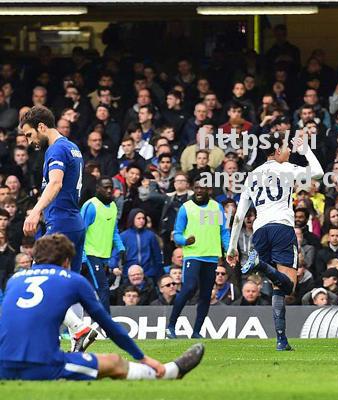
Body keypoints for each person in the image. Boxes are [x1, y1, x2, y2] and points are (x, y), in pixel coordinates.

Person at [0, 234, 204, 381]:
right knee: (114, 362)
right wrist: (141, 357)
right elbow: (106, 323)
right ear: (66, 261)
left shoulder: (14, 280)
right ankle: (168, 373)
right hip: (41, 366)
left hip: (2, 365)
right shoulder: (73, 280)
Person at [226, 132, 323, 351]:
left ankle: (281, 340)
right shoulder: (286, 169)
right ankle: (259, 265)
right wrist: (306, 150)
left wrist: (232, 248)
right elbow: (318, 173)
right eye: (287, 148)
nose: (290, 151)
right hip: (282, 227)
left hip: (259, 231)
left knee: (276, 284)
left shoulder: (251, 176)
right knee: (288, 287)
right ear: (277, 151)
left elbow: (239, 216)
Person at [19, 106, 94, 352]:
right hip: (74, 222)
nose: (29, 142)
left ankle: (79, 329)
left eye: (29, 135)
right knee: (68, 284)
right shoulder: (72, 147)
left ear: (42, 127)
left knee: (40, 278)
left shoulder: (57, 149)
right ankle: (77, 339)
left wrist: (35, 210)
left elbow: (56, 183)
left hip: (60, 223)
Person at [165, 175, 230, 339]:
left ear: (209, 189)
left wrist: (229, 249)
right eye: (197, 187)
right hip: (193, 255)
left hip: (211, 256)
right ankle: (171, 326)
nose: (199, 191)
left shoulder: (216, 207)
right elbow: (177, 234)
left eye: (203, 188)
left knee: (206, 295)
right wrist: (185, 241)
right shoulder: (186, 208)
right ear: (193, 188)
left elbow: (223, 231)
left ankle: (196, 331)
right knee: (189, 288)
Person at [80, 177, 125, 313]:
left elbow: (114, 231)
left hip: (104, 256)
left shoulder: (113, 206)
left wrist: (121, 248)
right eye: (105, 187)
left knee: (85, 290)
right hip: (90, 254)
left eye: (111, 187)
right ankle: (108, 326)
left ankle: (73, 324)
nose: (109, 190)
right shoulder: (91, 206)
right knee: (103, 288)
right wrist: (82, 258)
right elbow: (80, 232)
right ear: (98, 188)